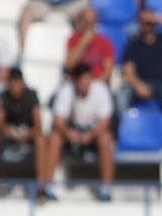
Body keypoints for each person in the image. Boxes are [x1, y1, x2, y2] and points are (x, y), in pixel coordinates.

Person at [39, 63, 116, 201]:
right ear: (75, 81)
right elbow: (59, 121)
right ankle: (48, 186)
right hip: (72, 132)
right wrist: (69, 133)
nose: (84, 84)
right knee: (55, 138)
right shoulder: (66, 91)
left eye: (87, 80)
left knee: (106, 139)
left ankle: (107, 188)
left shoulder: (101, 91)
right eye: (81, 81)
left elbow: (105, 122)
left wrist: (91, 135)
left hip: (94, 133)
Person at [0, 64, 44, 198]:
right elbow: (0, 123)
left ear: (23, 83)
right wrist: (9, 131)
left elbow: (38, 125)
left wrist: (27, 135)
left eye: (18, 83)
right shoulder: (4, 97)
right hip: (9, 135)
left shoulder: (32, 96)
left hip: (28, 135)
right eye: (12, 83)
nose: (15, 87)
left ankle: (42, 187)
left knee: (42, 141)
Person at [119, 9, 162, 117]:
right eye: (144, 22)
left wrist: (157, 18)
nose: (147, 25)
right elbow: (128, 71)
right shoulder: (133, 45)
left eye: (149, 23)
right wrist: (139, 86)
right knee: (121, 99)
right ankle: (123, 130)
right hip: (140, 83)